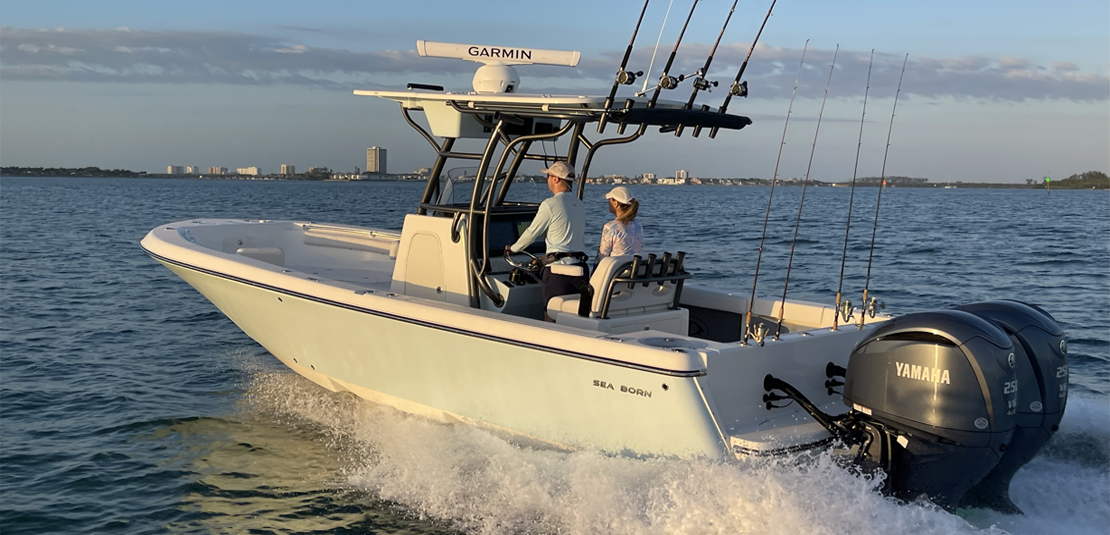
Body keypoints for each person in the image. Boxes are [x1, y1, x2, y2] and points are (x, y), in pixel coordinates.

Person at [505, 161, 589, 322]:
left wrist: (513, 249)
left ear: (556, 179)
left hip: (559, 273)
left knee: (550, 317)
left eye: (548, 176)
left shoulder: (549, 205)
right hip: (580, 270)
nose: (547, 180)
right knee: (575, 320)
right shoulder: (579, 204)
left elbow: (531, 233)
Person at [596, 186, 644, 269]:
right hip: (632, 271)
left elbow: (602, 257)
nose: (608, 202)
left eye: (610, 200)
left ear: (616, 203)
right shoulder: (638, 226)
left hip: (614, 272)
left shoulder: (611, 227)